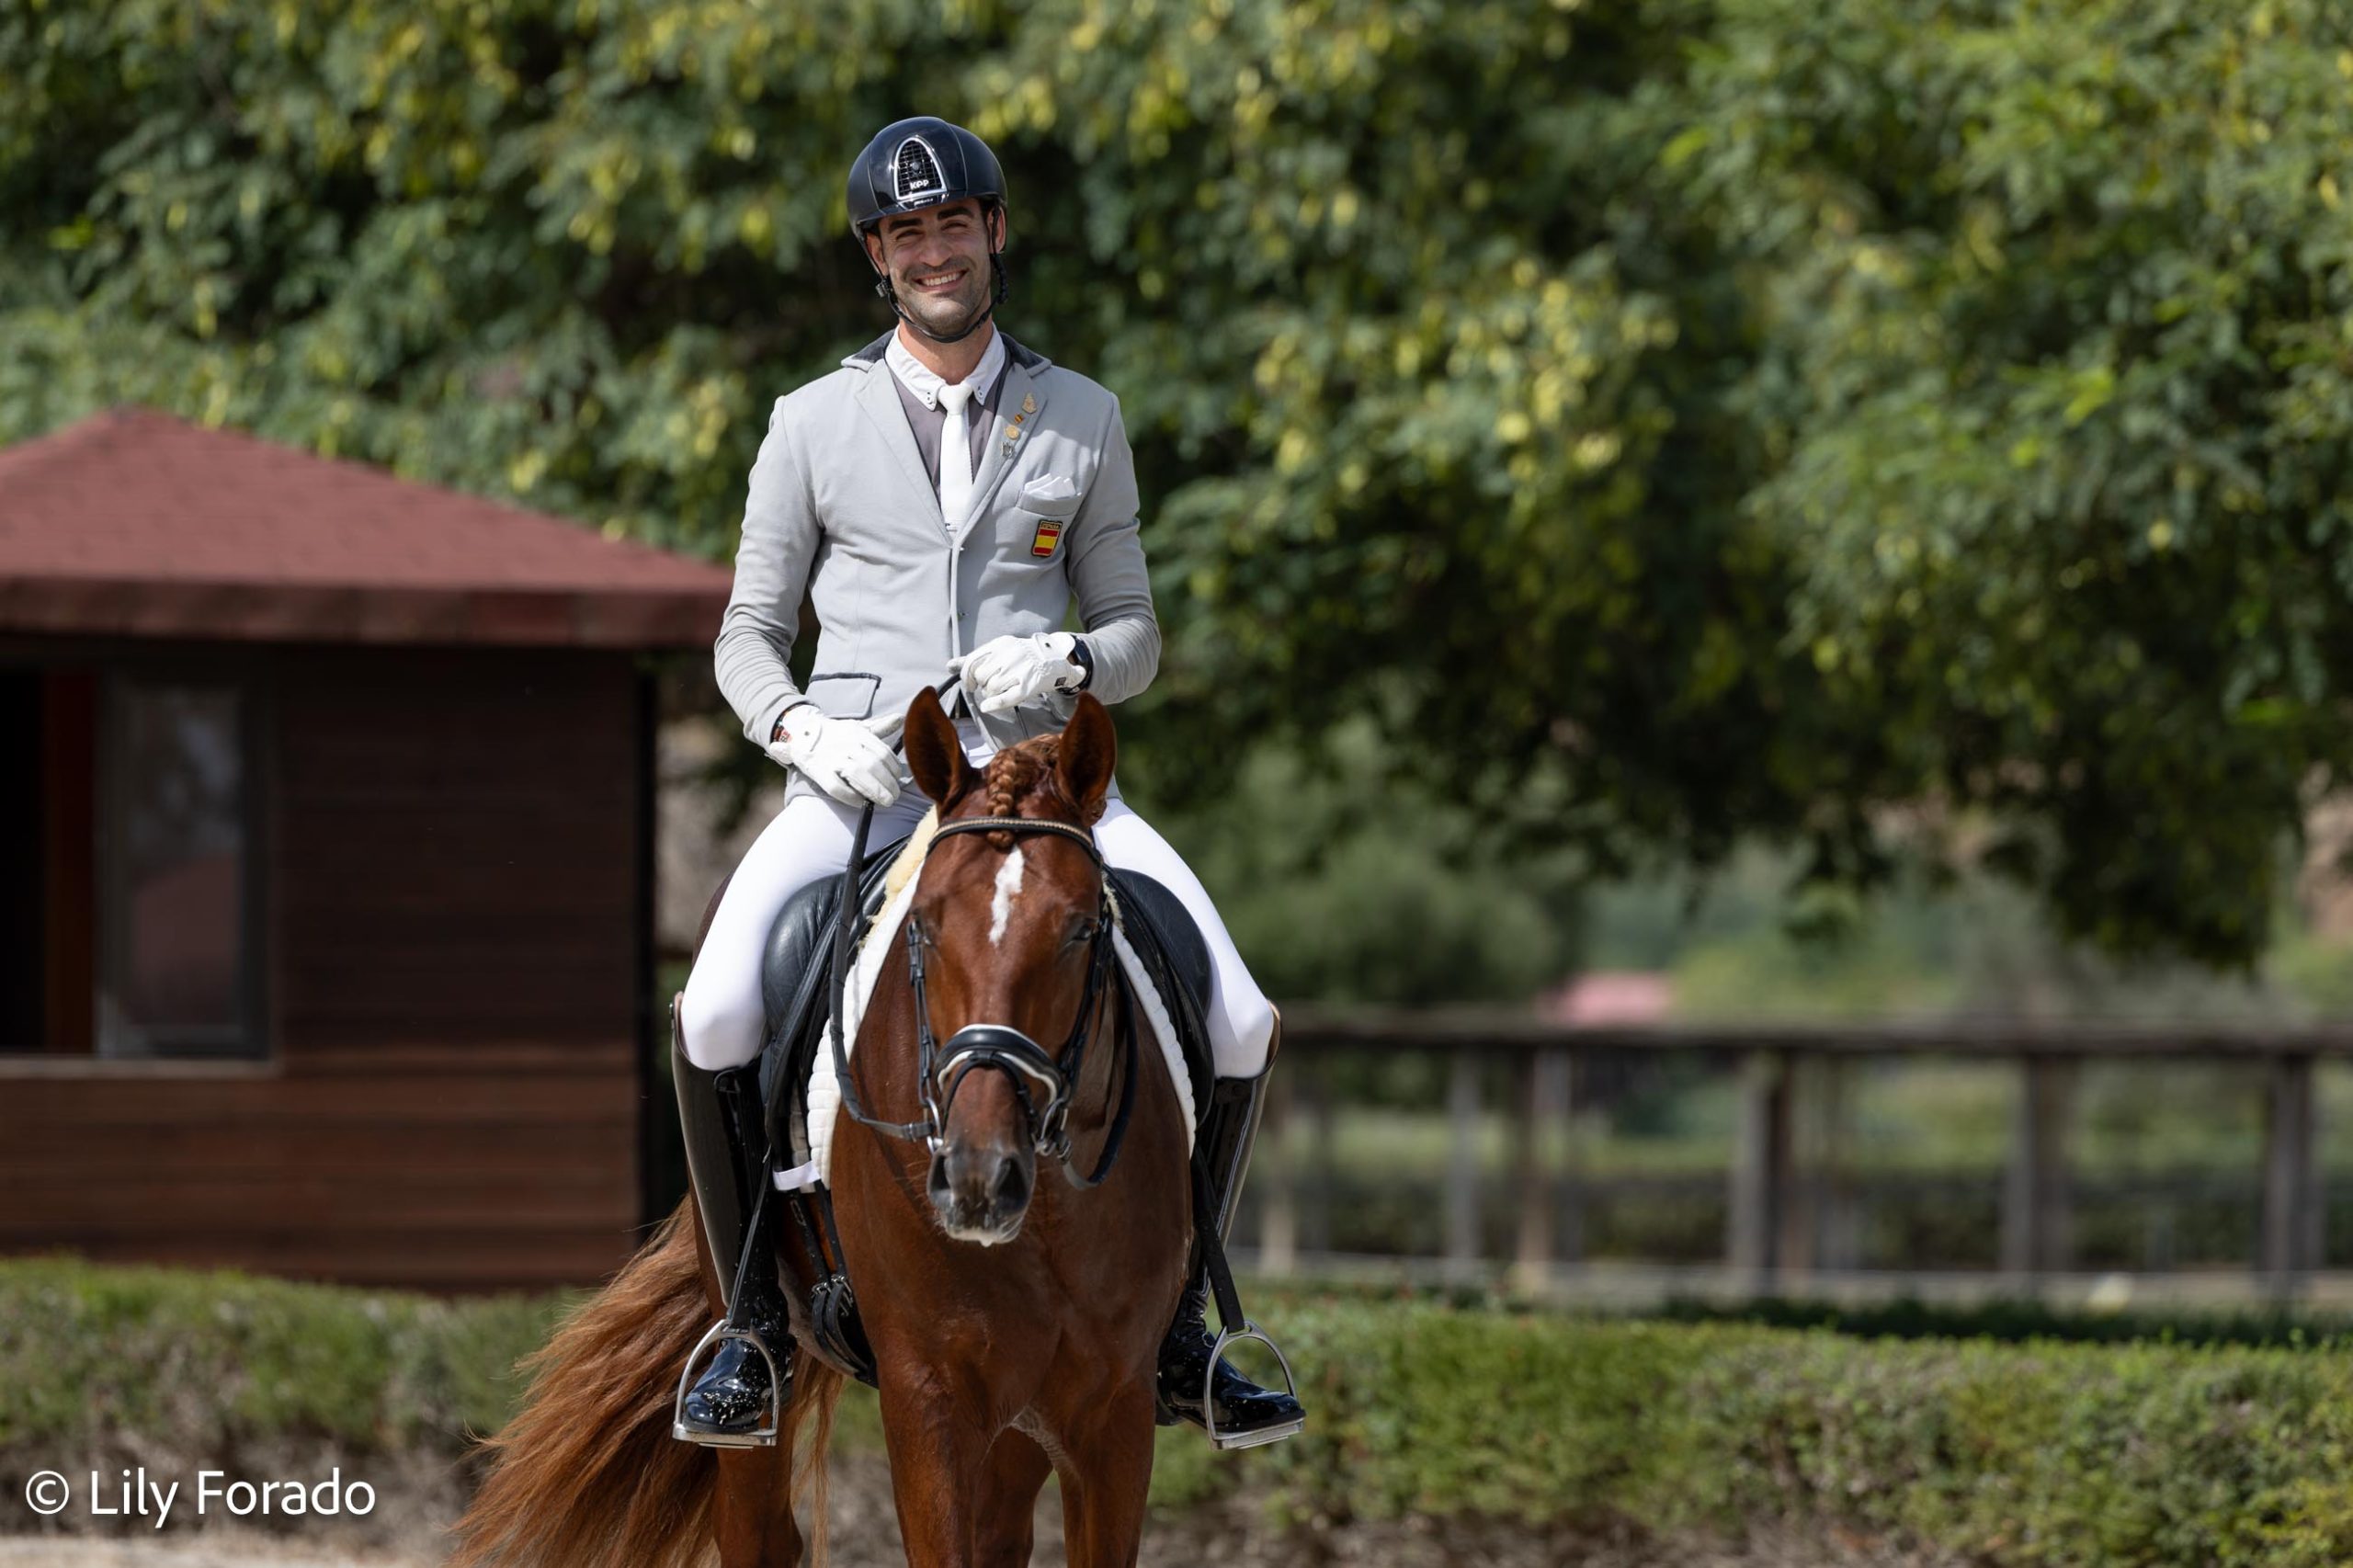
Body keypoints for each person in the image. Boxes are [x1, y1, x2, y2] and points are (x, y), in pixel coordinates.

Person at [669, 116, 1304, 1451]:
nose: (936, 249)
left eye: (955, 222)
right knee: (719, 1004)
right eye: (907, 233)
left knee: (1239, 1015)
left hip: (1041, 793)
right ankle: (751, 1326)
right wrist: (798, 729)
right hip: (867, 785)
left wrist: (1068, 651)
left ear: (995, 233)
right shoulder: (808, 423)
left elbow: (1135, 634)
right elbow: (744, 631)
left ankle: (1190, 1323)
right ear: (878, 259)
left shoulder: (1083, 417)